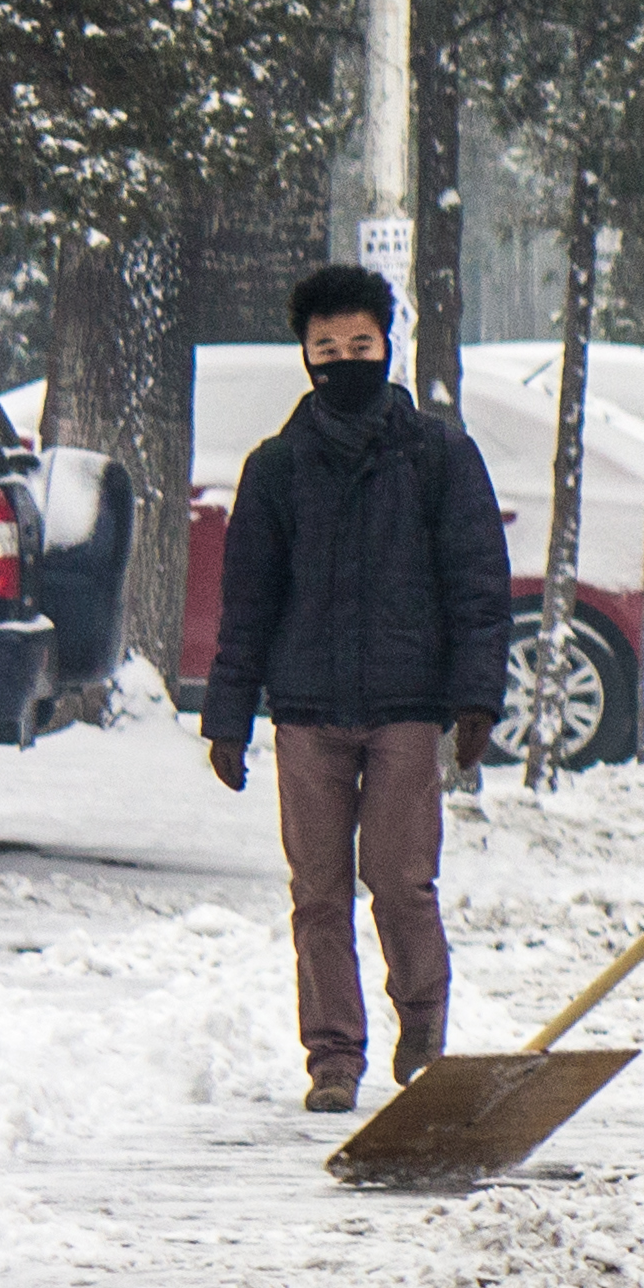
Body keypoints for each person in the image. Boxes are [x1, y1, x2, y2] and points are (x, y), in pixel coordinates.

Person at [201, 264, 510, 1111]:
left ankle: (423, 1020)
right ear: (305, 355)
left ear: (386, 347)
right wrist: (228, 715)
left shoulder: (438, 454)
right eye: (325, 347)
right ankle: (334, 1056)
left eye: (359, 345)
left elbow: (478, 583)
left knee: (402, 879)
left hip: (407, 710)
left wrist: (476, 697)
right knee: (318, 892)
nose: (343, 360)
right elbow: (249, 601)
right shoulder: (276, 469)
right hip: (306, 713)